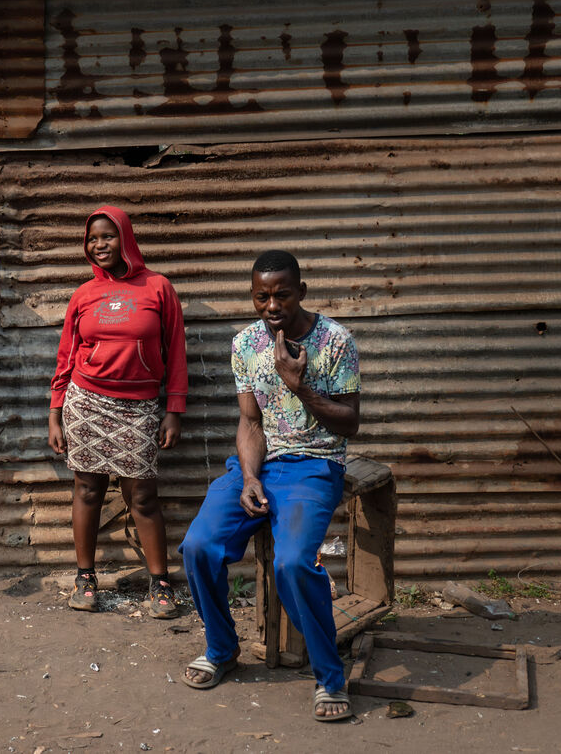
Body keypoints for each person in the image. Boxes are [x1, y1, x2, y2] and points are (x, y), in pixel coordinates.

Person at [178, 250, 360, 722]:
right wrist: (249, 477)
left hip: (314, 464)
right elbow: (250, 421)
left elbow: (350, 423)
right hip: (258, 465)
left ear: (301, 291)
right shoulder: (245, 344)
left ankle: (329, 676)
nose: (273, 305)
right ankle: (222, 649)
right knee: (198, 546)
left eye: (282, 295)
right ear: (253, 296)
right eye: (262, 297)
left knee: (293, 563)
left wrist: (299, 386)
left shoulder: (335, 341)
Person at [48, 206, 188, 619]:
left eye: (107, 236)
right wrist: (55, 410)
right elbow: (67, 355)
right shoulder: (84, 294)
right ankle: (85, 578)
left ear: (125, 237)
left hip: (140, 406)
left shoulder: (158, 287)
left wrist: (174, 409)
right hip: (86, 402)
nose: (99, 245)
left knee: (142, 495)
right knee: (87, 490)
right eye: (92, 239)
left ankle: (160, 583)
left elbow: (176, 351)